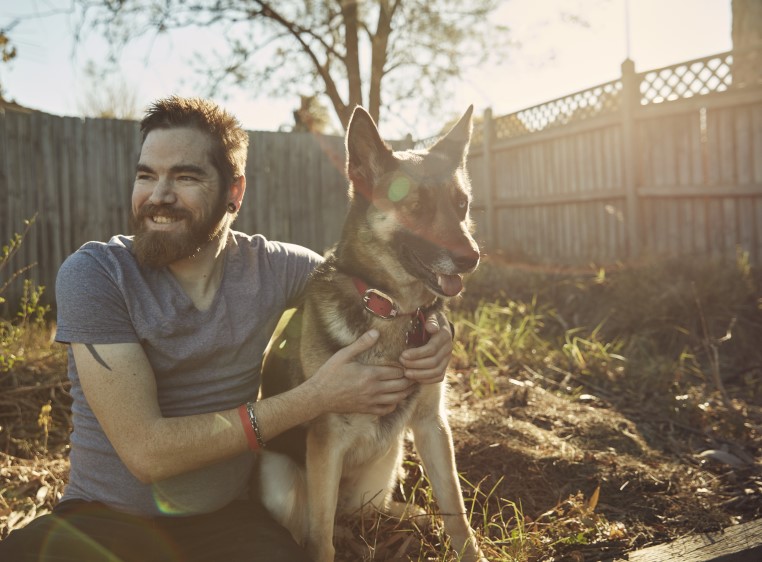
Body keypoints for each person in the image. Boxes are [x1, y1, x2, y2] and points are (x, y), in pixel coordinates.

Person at [0, 96, 454, 562]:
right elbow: (146, 453)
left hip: (229, 522)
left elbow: (376, 283)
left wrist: (439, 330)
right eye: (146, 175)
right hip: (104, 522)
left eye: (185, 176)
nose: (158, 195)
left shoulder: (275, 268)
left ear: (234, 193)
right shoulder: (97, 274)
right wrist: (317, 397)